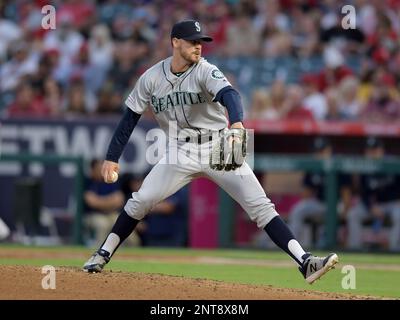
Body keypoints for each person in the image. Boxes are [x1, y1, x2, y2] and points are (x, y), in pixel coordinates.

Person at [83, 20, 338, 284]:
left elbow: (230, 95)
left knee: (261, 207)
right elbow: (129, 119)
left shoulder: (205, 70)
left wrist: (237, 122)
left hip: (218, 145)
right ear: (175, 42)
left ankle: (305, 261)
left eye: (201, 42)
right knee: (140, 201)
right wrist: (112, 157)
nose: (198, 47)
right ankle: (103, 253)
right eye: (193, 41)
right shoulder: (151, 78)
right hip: (179, 150)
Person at [288, 137, 353, 248]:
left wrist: (345, 211)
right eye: (317, 151)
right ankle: (291, 245)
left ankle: (327, 244)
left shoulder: (338, 164)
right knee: (298, 210)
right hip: (319, 203)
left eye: (322, 151)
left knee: (337, 215)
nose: (319, 154)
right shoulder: (314, 166)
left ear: (329, 150)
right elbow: (306, 194)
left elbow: (346, 193)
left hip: (337, 204)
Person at [347, 137, 400, 251]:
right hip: (373, 206)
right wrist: (371, 207)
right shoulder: (364, 168)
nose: (372, 154)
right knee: (353, 214)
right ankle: (354, 250)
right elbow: (363, 193)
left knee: (399, 215)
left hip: (393, 204)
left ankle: (394, 250)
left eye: (375, 150)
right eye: (370, 151)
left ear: (382, 151)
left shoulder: (393, 164)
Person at [83, 159, 125, 246]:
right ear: (93, 170)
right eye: (98, 169)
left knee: (124, 224)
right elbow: (92, 202)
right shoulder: (88, 182)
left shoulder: (110, 180)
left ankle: (130, 255)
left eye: (102, 168)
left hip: (112, 214)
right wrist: (110, 201)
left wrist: (100, 201)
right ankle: (99, 253)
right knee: (103, 224)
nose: (101, 171)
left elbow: (119, 200)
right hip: (93, 215)